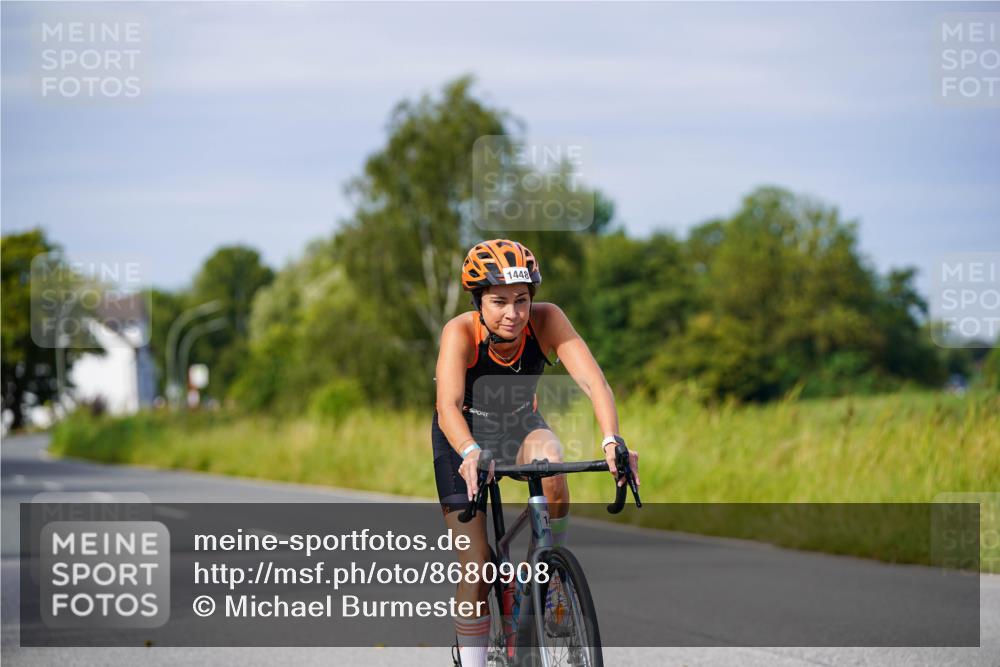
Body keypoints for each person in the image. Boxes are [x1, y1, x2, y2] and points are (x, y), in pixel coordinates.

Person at [432, 239, 639, 666]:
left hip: (519, 425)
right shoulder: (460, 332)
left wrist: (611, 439)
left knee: (552, 466)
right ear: (478, 302)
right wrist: (470, 451)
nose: (513, 313)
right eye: (500, 302)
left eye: (522, 300)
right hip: (462, 436)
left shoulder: (546, 321)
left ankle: (549, 584)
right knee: (478, 563)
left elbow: (594, 383)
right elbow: (447, 406)